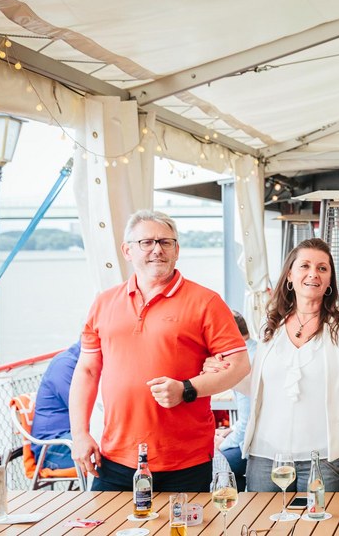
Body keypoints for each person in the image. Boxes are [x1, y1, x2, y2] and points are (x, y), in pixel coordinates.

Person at [69, 210, 251, 492]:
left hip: (187, 461)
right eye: (147, 242)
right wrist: (80, 434)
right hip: (115, 457)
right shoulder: (103, 303)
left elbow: (239, 365)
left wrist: (186, 389)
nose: (157, 249)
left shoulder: (206, 302)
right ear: (127, 251)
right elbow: (87, 371)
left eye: (166, 242)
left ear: (177, 250)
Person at [212, 238, 339, 492]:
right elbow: (256, 386)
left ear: (330, 280)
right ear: (290, 275)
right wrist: (224, 370)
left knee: (325, 519)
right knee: (265, 518)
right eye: (305, 266)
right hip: (265, 456)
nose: (313, 273)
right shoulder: (271, 322)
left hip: (324, 459)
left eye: (322, 268)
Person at [215, 310, 257, 492]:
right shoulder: (256, 349)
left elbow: (248, 425)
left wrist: (221, 444)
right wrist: (230, 430)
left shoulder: (241, 363)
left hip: (254, 447)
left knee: (213, 465)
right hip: (259, 439)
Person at [31, 341, 81, 470]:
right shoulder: (65, 364)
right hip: (51, 449)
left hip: (69, 440)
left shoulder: (82, 362)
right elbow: (84, 410)